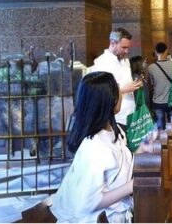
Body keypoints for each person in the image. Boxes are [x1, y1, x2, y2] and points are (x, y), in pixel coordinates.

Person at [50, 72, 134, 223]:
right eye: (117, 89)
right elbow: (88, 202)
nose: (120, 93)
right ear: (109, 100)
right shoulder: (95, 147)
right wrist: (132, 186)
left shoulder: (114, 130)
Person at [90, 28, 143, 133]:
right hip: (115, 117)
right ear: (113, 43)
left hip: (130, 115)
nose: (127, 51)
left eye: (128, 48)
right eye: (123, 47)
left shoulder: (125, 60)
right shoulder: (102, 63)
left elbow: (126, 81)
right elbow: (100, 92)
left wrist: (136, 84)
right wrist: (123, 90)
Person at [147, 42, 172, 130]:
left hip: (158, 101)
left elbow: (151, 84)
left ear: (155, 52)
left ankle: (162, 143)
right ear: (166, 51)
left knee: (160, 125)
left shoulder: (151, 68)